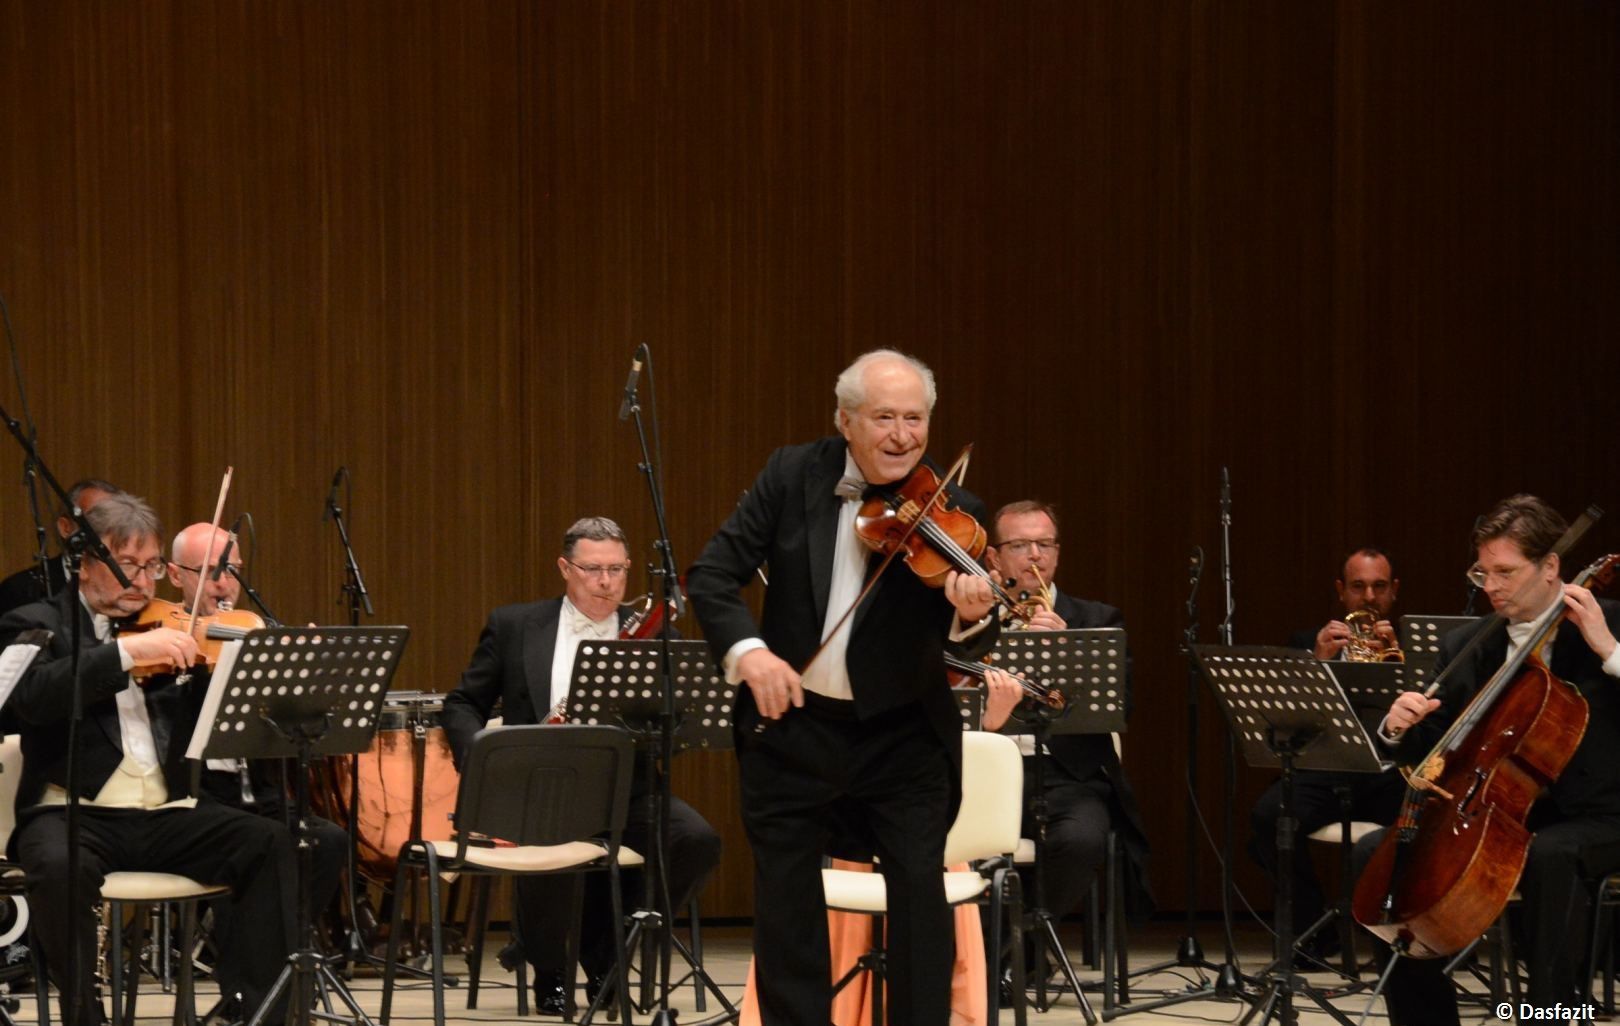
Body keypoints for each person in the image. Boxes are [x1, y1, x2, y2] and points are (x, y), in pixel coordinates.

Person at [687, 349, 998, 1026]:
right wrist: (751, 654)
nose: (901, 435)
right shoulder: (791, 474)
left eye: (914, 418)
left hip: (902, 735)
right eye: (883, 417)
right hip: (793, 725)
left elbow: (974, 632)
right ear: (845, 420)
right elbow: (712, 576)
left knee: (921, 894)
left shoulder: (952, 511)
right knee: (787, 907)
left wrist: (971, 616)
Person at [0, 494, 296, 1026]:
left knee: (270, 843)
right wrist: (124, 653)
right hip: (72, 812)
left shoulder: (177, 626)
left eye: (152, 565)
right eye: (127, 565)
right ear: (84, 564)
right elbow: (26, 698)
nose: (142, 581)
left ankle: (256, 1011)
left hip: (168, 811)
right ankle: (84, 1016)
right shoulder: (36, 619)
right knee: (60, 867)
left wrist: (272, 673)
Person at [1354, 495, 1620, 1025]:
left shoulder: (1606, 622)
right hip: (1500, 812)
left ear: (1550, 567)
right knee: (1375, 854)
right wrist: (1397, 724)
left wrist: (1609, 650)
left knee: (1550, 856)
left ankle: (1554, 1012)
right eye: (1483, 572)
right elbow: (1433, 741)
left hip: (1601, 813)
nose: (1491, 586)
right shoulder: (1468, 643)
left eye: (1505, 572)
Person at [441, 516, 721, 1014]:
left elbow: (677, 727)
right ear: (565, 568)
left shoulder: (655, 636)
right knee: (552, 843)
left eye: (617, 569)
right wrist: (486, 764)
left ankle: (611, 954)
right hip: (541, 786)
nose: (607, 581)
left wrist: (661, 732)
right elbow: (463, 703)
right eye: (593, 569)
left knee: (693, 838)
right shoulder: (515, 624)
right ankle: (549, 968)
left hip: (626, 790)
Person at [165, 522, 349, 1016]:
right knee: (254, 847)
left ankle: (269, 974)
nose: (225, 584)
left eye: (234, 571)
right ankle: (259, 993)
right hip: (193, 794)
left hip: (254, 789)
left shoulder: (252, 633)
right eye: (210, 572)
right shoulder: (162, 644)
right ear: (174, 575)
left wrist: (305, 675)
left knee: (326, 840)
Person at [980, 501, 1153, 963]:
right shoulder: (967, 619)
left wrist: (1066, 654)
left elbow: (1120, 707)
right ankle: (986, 954)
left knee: (1082, 840)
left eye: (1044, 544)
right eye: (1019, 545)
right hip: (983, 775)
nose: (1034, 555)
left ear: (1057, 553)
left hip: (1066, 776)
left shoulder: (1097, 618)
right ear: (995, 557)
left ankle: (1016, 947)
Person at [1248, 547, 1408, 958]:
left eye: (1378, 587)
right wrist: (1318, 663)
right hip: (1324, 772)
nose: (1369, 597)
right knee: (1270, 816)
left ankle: (1392, 939)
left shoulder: (1412, 645)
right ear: (1341, 592)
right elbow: (1285, 724)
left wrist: (1400, 663)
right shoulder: (1308, 643)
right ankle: (1311, 930)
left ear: (1393, 591)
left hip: (1392, 773)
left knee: (1423, 824)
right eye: (1358, 587)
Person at [0, 478, 122, 618]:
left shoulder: (132, 584)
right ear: (66, 528)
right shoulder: (20, 590)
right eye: (96, 520)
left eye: (117, 522)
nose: (108, 530)